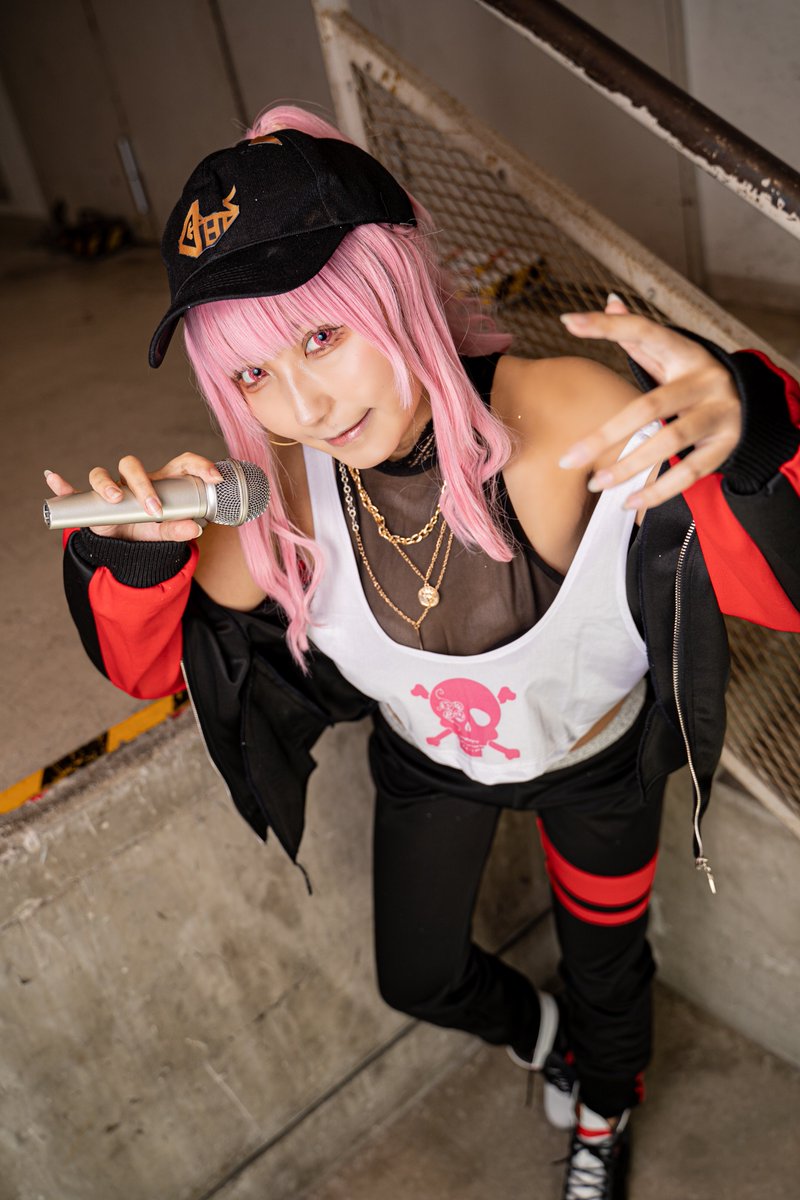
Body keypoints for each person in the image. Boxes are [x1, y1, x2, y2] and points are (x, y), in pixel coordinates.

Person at [49, 105, 800, 1199]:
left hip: (595, 765)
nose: (304, 405)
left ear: (395, 284)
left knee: (608, 968)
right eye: (253, 374)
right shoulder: (277, 493)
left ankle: (604, 1108)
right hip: (431, 763)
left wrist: (757, 434)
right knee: (417, 976)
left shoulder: (561, 418)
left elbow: (781, 588)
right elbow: (162, 671)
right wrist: (131, 561)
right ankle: (551, 1044)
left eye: (321, 336)